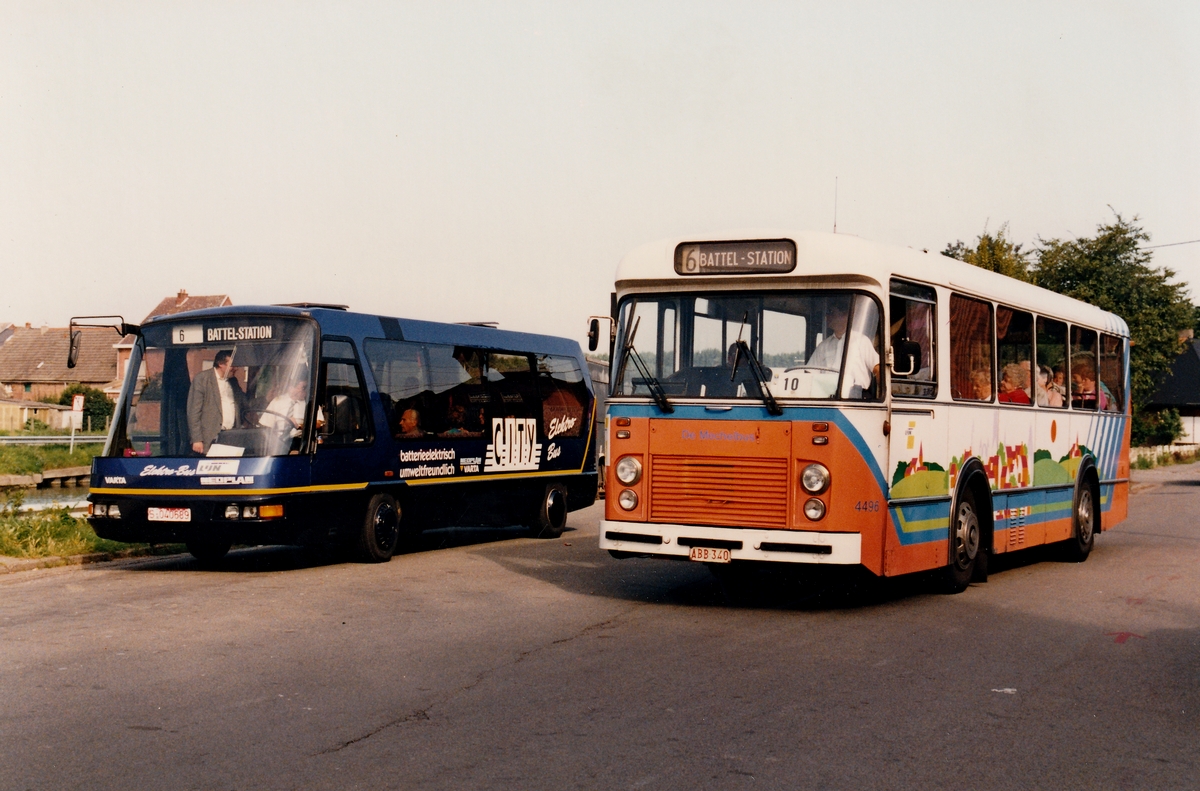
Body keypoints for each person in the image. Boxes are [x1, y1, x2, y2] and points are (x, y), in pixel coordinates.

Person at [806, 301, 879, 398]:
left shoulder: (861, 341)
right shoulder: (823, 346)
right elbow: (809, 373)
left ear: (845, 316)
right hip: (826, 396)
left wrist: (881, 396)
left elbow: (878, 368)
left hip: (856, 396)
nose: (827, 316)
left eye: (831, 312)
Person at [187, 350, 245, 454]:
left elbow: (244, 402)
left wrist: (267, 398)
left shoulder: (233, 381)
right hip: (210, 439)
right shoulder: (202, 379)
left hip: (232, 436)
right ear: (221, 364)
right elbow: (194, 411)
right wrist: (197, 439)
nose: (236, 368)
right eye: (233, 365)